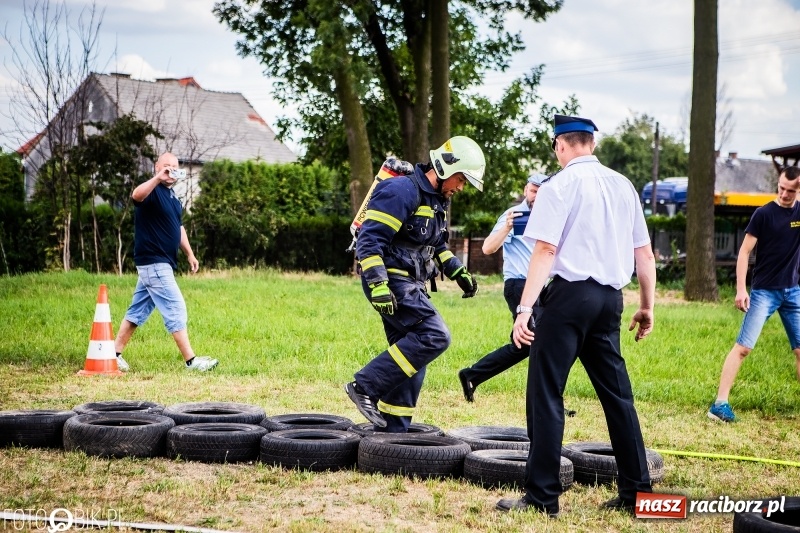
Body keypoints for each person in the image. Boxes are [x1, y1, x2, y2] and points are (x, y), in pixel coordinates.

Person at [496, 114, 656, 517]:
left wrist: (525, 308)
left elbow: (545, 251)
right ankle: (639, 494)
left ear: (560, 146)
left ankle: (542, 498)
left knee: (546, 393)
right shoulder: (623, 185)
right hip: (610, 300)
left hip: (568, 299)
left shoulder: (558, 185)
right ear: (593, 144)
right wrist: (647, 305)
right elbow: (644, 254)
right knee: (618, 397)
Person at [345, 136, 485, 432]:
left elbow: (436, 244)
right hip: (390, 280)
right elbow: (370, 241)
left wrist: (458, 271)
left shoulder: (436, 201)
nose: (461, 187)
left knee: (412, 354)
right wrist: (379, 285)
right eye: (461, 179)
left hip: (412, 283)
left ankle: (394, 429)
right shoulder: (401, 190)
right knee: (434, 335)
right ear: (446, 168)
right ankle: (365, 386)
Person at [708, 166, 800, 423]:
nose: (784, 193)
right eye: (781, 187)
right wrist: (740, 289)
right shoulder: (764, 214)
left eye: (790, 190)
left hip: (793, 292)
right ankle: (719, 404)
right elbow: (744, 252)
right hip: (764, 293)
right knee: (743, 348)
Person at [114, 152, 218, 372]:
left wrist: (189, 253)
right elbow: (136, 195)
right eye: (166, 166)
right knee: (175, 307)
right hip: (154, 261)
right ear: (157, 167)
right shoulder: (151, 191)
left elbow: (177, 228)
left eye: (174, 167)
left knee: (137, 311)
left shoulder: (173, 198)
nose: (170, 170)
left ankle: (113, 355)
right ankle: (192, 361)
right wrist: (158, 178)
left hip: (161, 263)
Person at [457, 173, 545, 402]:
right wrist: (506, 228)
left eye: (541, 191)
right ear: (526, 190)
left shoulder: (550, 215)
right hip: (519, 285)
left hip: (542, 288)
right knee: (531, 341)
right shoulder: (513, 215)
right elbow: (487, 248)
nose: (537, 196)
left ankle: (472, 375)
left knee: (535, 343)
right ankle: (544, 400)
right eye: (534, 190)